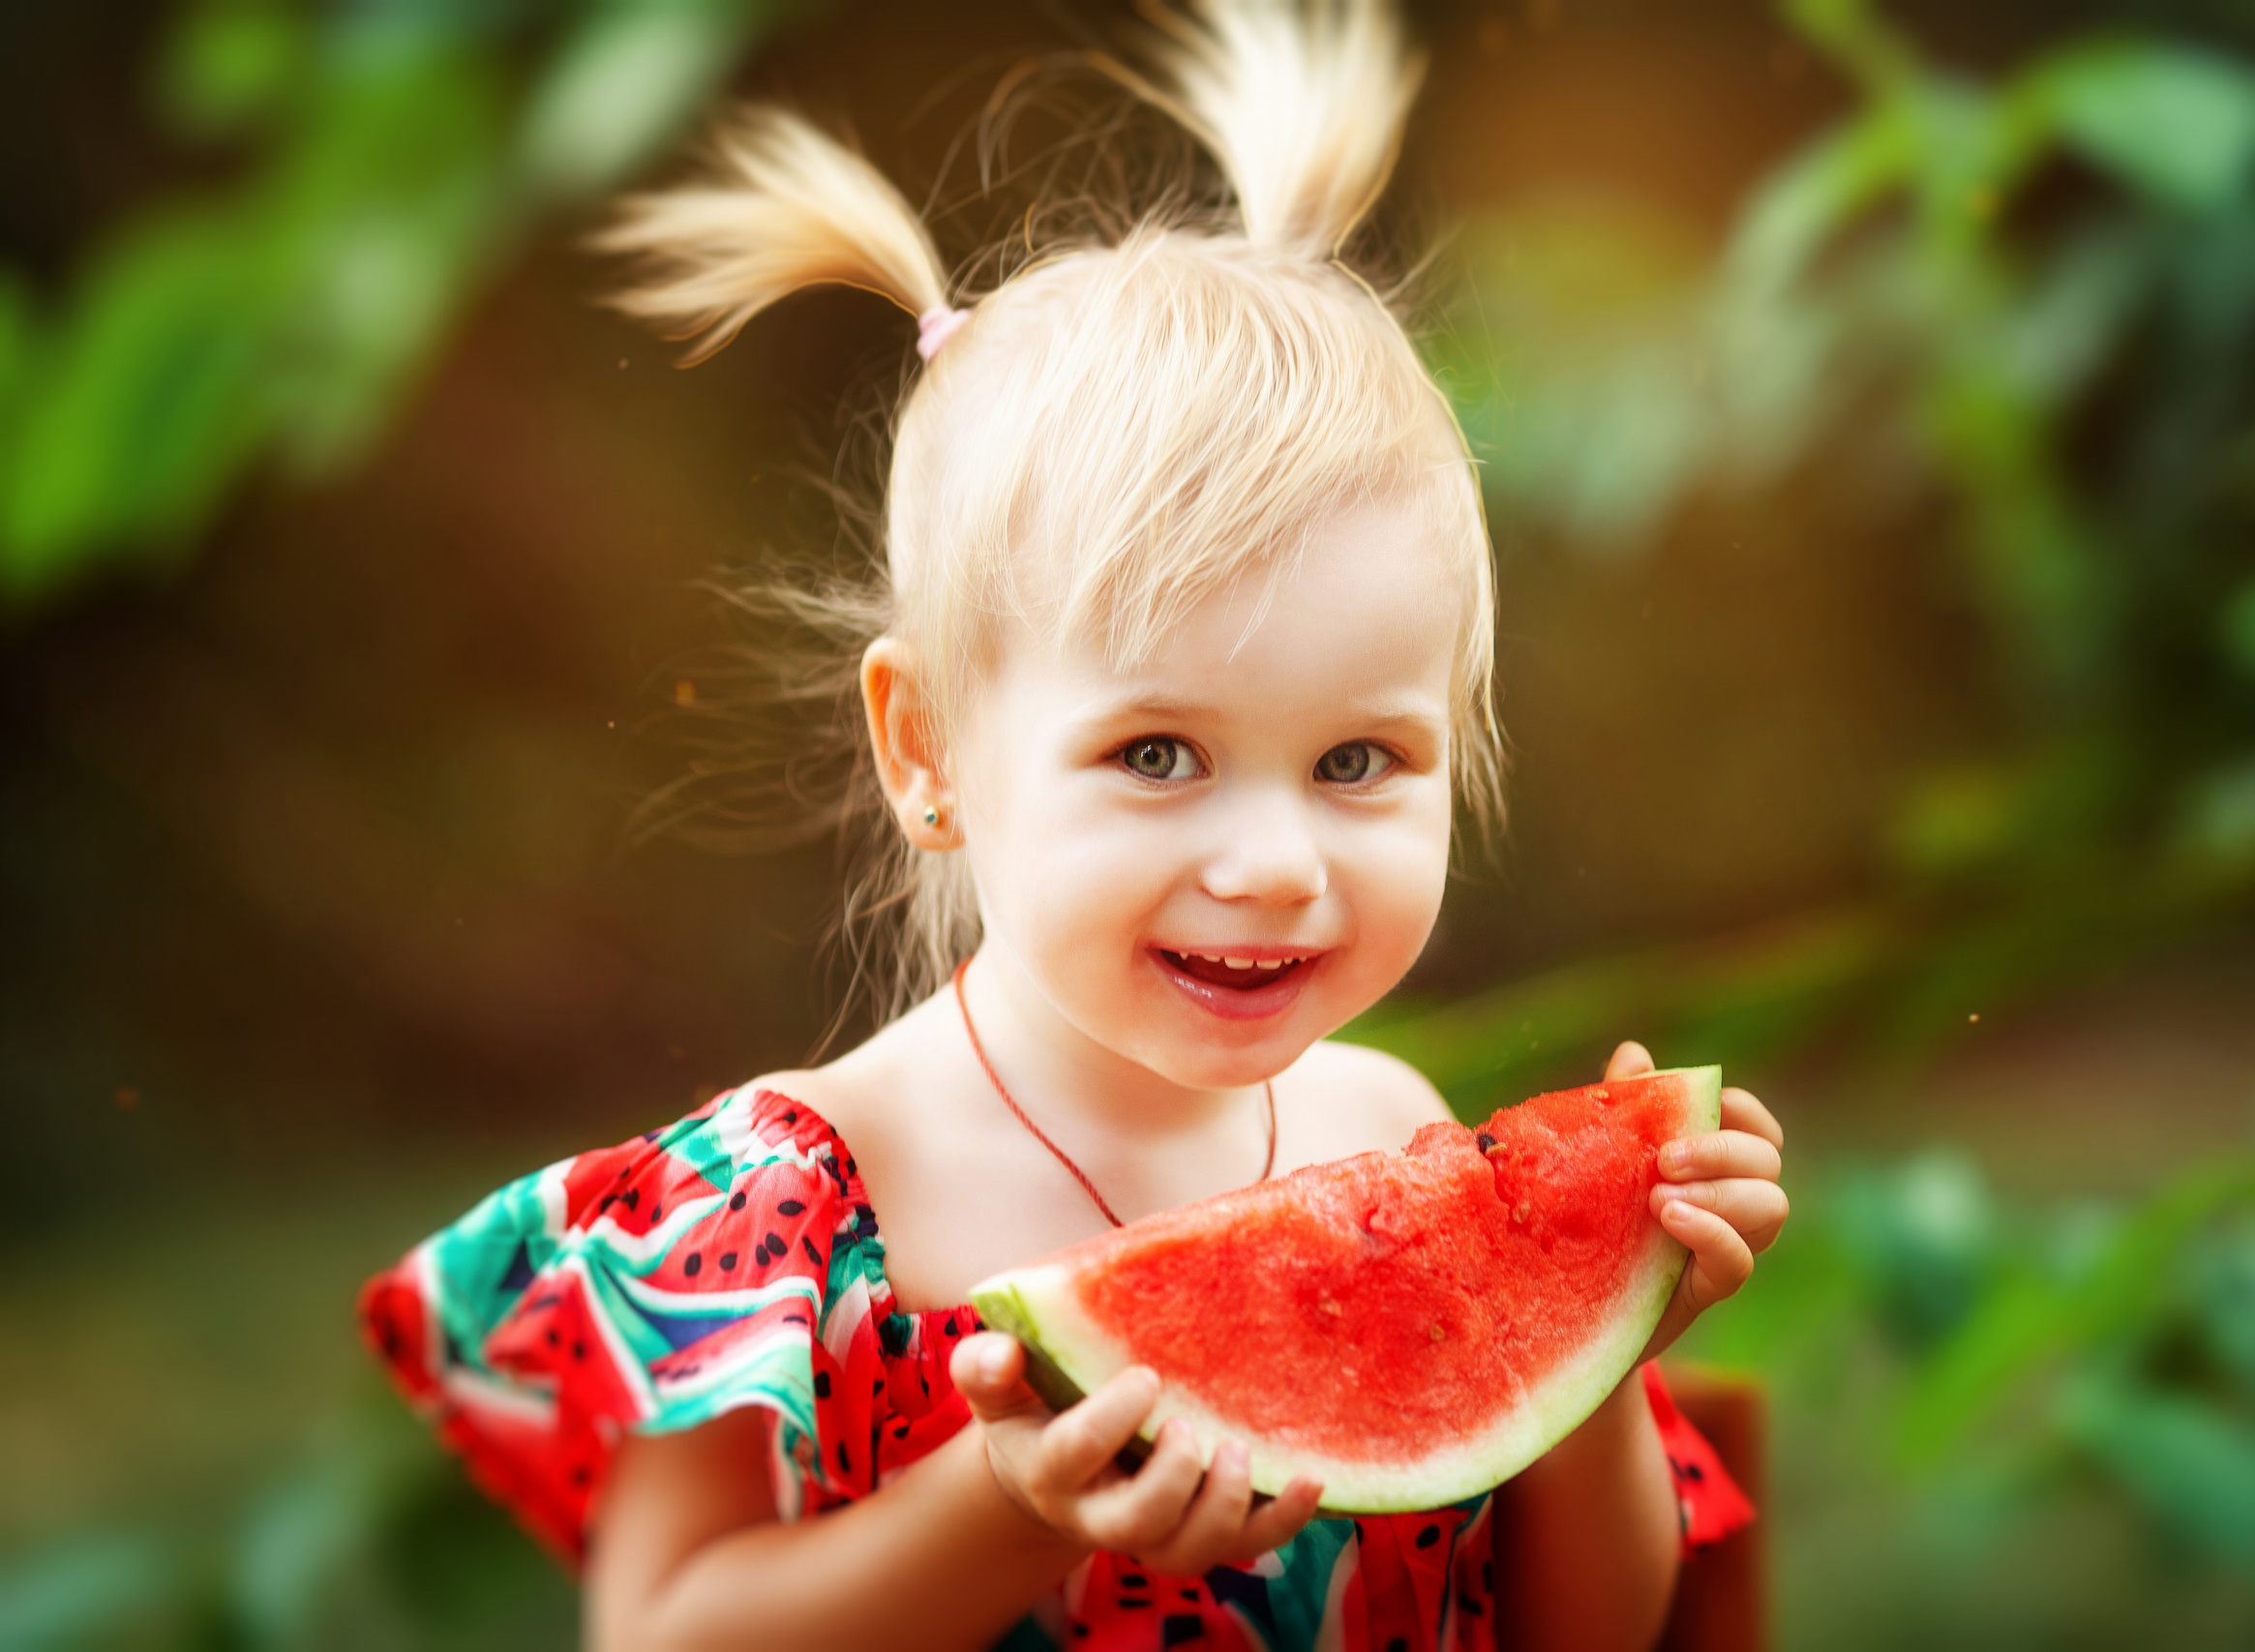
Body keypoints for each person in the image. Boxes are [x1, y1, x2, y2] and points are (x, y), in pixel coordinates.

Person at [358, 3, 1789, 1646]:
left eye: (1357, 761)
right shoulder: (785, 1211)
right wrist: (1008, 1511)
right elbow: (664, 1634)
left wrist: (1597, 1338)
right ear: (929, 751)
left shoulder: (1394, 1127)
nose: (1276, 865)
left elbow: (1582, 1633)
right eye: (1159, 754)